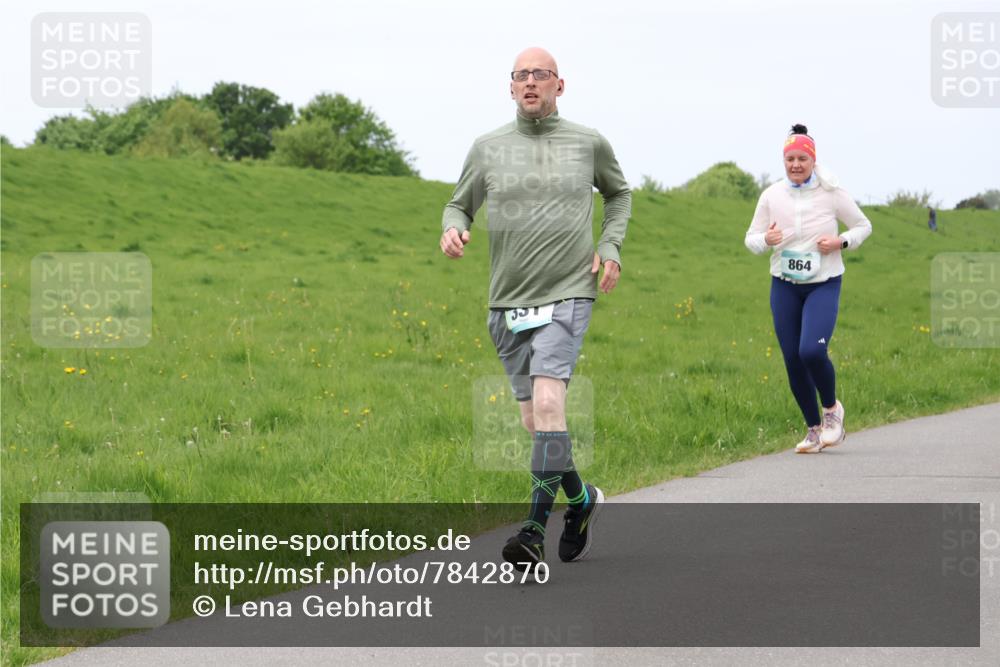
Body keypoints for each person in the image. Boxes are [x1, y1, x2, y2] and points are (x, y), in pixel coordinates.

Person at [440, 47, 631, 570]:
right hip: (507, 302)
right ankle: (582, 499)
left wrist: (610, 248)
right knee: (536, 422)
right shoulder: (488, 148)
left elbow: (619, 194)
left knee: (549, 408)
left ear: (559, 85)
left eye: (539, 75)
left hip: (569, 292)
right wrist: (453, 228)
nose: (530, 83)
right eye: (521, 76)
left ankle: (531, 531)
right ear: (510, 87)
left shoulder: (587, 142)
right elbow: (459, 203)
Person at [744, 124, 872, 454]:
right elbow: (751, 240)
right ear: (783, 161)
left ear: (813, 160)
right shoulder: (771, 195)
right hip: (784, 286)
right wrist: (767, 240)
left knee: (811, 352)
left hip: (823, 285)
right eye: (790, 159)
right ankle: (813, 429)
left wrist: (840, 241)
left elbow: (862, 225)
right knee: (792, 359)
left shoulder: (831, 193)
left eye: (802, 158)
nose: (796, 165)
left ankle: (832, 411)